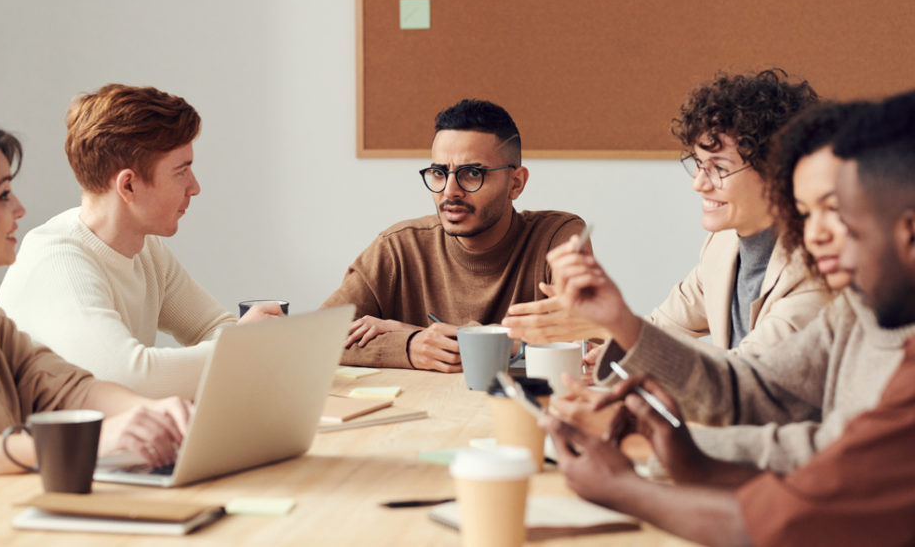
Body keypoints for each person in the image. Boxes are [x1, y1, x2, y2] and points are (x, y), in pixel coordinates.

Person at [543, 90, 915, 546]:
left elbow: (817, 477)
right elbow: (751, 386)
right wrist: (620, 324)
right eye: (805, 212)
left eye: (840, 213)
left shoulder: (829, 286)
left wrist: (629, 480)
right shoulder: (859, 306)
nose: (816, 235)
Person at [0, 118, 191, 518]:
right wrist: (83, 441)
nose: (20, 208)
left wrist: (153, 416)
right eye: (2, 196)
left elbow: (64, 387)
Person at [506, 69, 831, 354]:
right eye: (699, 165)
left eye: (718, 167)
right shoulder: (723, 246)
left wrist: (613, 326)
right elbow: (663, 327)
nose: (699, 184)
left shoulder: (818, 267)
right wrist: (606, 342)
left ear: (779, 173)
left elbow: (747, 378)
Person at [0, 85, 282, 400]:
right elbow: (127, 378)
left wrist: (243, 342)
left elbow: (212, 327)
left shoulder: (146, 249)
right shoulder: (57, 261)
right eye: (181, 172)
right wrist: (240, 346)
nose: (195, 187)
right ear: (129, 185)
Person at [323, 99, 589, 371]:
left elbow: (585, 338)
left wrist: (407, 330)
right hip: (423, 411)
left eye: (472, 173)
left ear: (516, 183)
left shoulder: (559, 238)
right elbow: (319, 337)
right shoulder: (398, 248)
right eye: (439, 173)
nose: (450, 190)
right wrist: (410, 345)